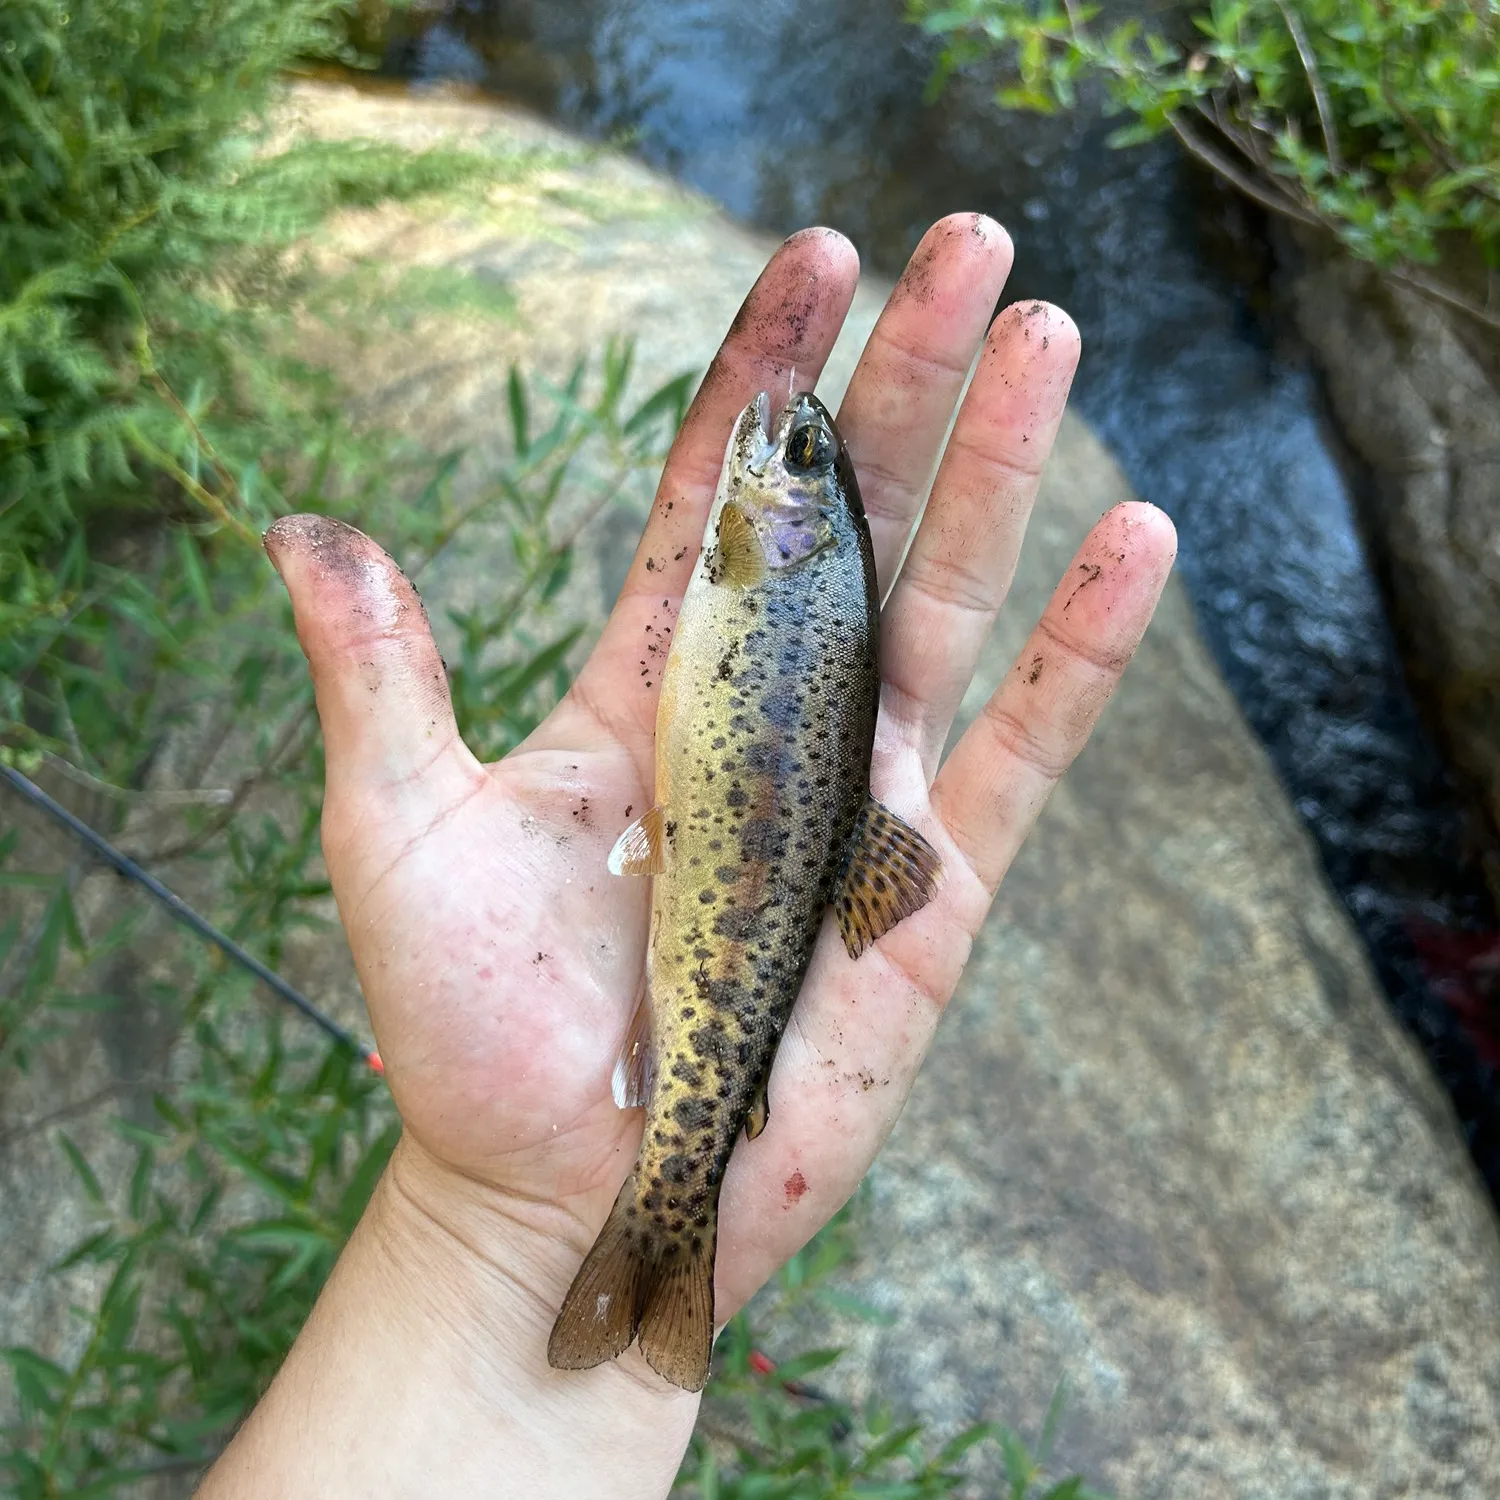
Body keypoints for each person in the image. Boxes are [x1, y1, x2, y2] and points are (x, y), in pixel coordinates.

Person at [197, 215, 1176, 1498]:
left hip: (740, 901)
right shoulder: (766, 552)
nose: (786, 443)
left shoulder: (769, 550)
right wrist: (494, 1225)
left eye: (803, 456)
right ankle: (662, 1239)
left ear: (790, 534)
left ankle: (665, 1225)